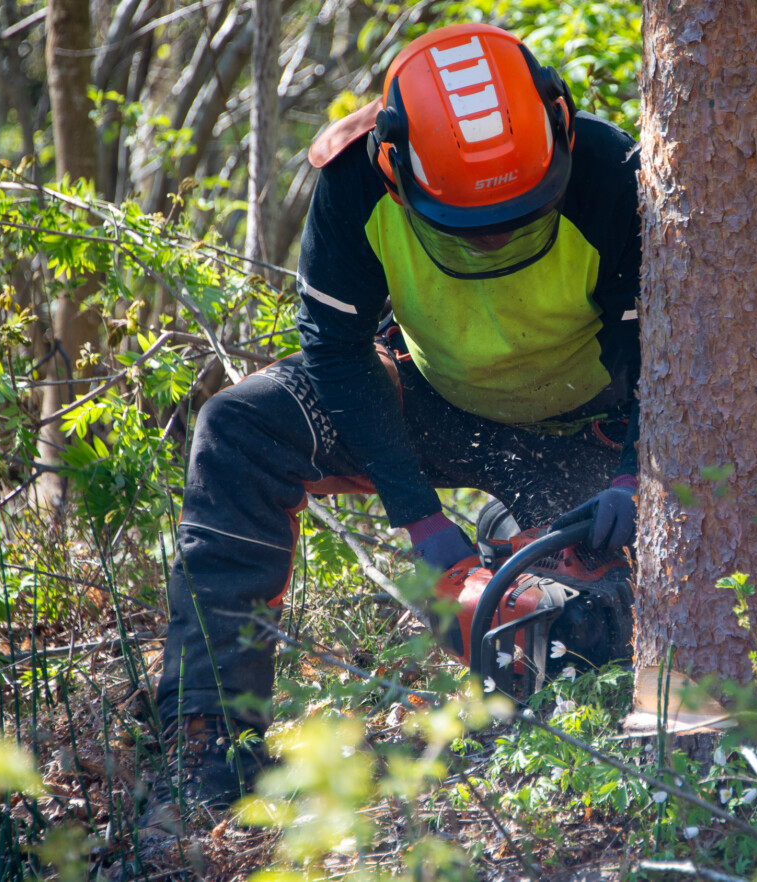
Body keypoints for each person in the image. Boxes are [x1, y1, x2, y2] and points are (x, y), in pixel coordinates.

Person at [143, 22, 641, 824]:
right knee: (240, 427)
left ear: (558, 126)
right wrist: (417, 518)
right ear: (395, 167)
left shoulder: (617, 176)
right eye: (472, 225)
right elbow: (335, 351)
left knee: (572, 633)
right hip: (430, 406)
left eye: (519, 212)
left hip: (586, 436)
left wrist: (635, 474)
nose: (498, 235)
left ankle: (519, 545)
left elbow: (684, 350)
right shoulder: (355, 181)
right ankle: (209, 737)